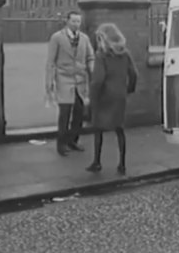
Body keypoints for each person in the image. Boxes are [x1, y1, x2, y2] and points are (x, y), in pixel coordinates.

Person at [86, 22, 138, 174]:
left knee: (98, 129)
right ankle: (122, 164)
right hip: (120, 95)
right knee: (119, 129)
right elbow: (134, 74)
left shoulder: (101, 56)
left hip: (104, 97)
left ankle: (97, 162)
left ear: (103, 38)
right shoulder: (125, 53)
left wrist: (92, 98)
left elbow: (97, 80)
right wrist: (129, 89)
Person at [45, 11, 95, 156]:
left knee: (79, 113)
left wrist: (92, 69)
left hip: (80, 80)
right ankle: (61, 144)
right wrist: (49, 82)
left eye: (78, 21)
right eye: (73, 21)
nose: (76, 24)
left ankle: (73, 140)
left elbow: (90, 56)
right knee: (65, 113)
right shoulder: (57, 38)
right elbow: (50, 62)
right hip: (64, 79)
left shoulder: (84, 39)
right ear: (67, 21)